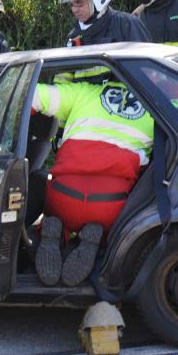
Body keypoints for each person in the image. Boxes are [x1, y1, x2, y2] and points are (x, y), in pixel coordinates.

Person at [31, 79, 154, 287]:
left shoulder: (82, 91)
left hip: (64, 197)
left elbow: (31, 95)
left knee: (38, 180)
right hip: (109, 205)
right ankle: (95, 243)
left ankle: (54, 229)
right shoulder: (154, 104)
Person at [56, 0, 151, 83]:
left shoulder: (127, 26)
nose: (74, 9)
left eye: (79, 2)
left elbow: (148, 76)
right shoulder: (73, 38)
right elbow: (62, 86)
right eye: (71, 4)